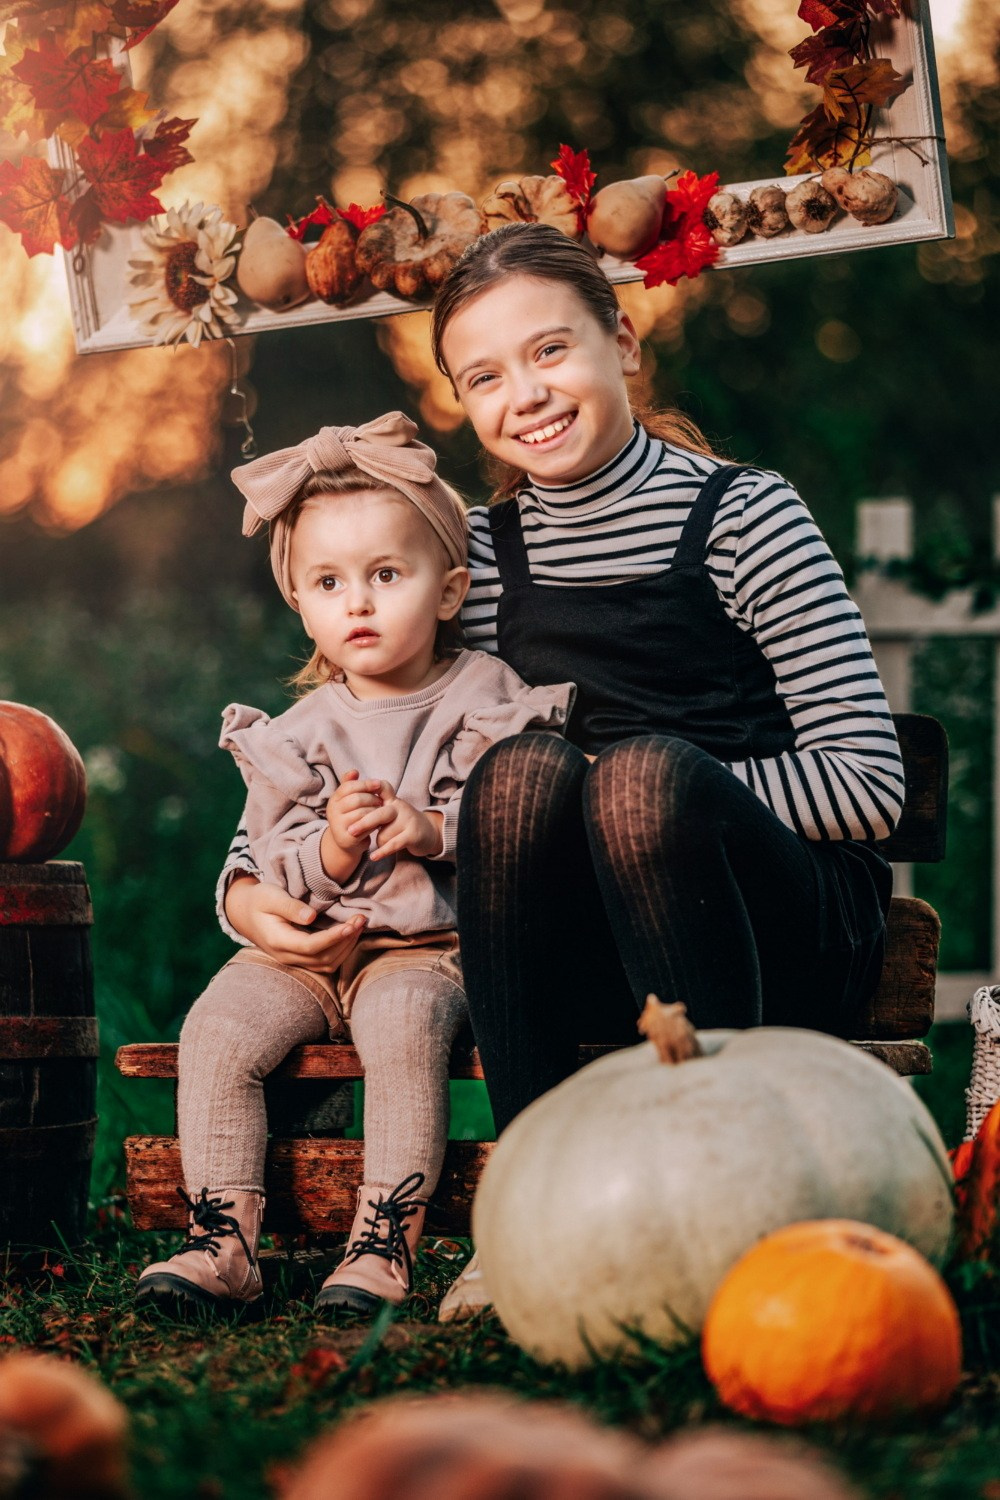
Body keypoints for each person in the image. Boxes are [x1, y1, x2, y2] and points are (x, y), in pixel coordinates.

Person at [217, 224, 905, 1322]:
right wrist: (251, 884)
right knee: (520, 776)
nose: (524, 395)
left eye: (550, 352)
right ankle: (531, 1215)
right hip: (566, 938)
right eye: (484, 375)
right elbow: (351, 730)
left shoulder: (744, 516)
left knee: (632, 784)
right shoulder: (472, 559)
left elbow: (871, 784)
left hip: (760, 925)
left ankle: (724, 1203)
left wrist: (648, 792)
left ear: (622, 340)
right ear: (460, 401)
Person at [135, 409, 572, 1317]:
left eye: (385, 575)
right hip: (300, 955)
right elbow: (270, 854)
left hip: (424, 949)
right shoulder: (295, 733)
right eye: (328, 582)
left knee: (405, 1029)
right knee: (218, 1028)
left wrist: (431, 831)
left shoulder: (486, 699)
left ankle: (383, 1245)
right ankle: (222, 1240)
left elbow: (520, 819)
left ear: (450, 590)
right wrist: (329, 848)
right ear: (299, 601)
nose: (358, 602)